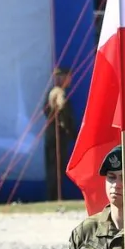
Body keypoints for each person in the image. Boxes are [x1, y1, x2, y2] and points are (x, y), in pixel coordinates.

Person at [43, 67, 76, 201]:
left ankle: (54, 196)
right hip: (57, 136)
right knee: (55, 168)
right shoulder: (58, 92)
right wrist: (70, 131)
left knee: (55, 167)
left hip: (53, 135)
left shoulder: (53, 92)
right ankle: (54, 197)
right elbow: (62, 110)